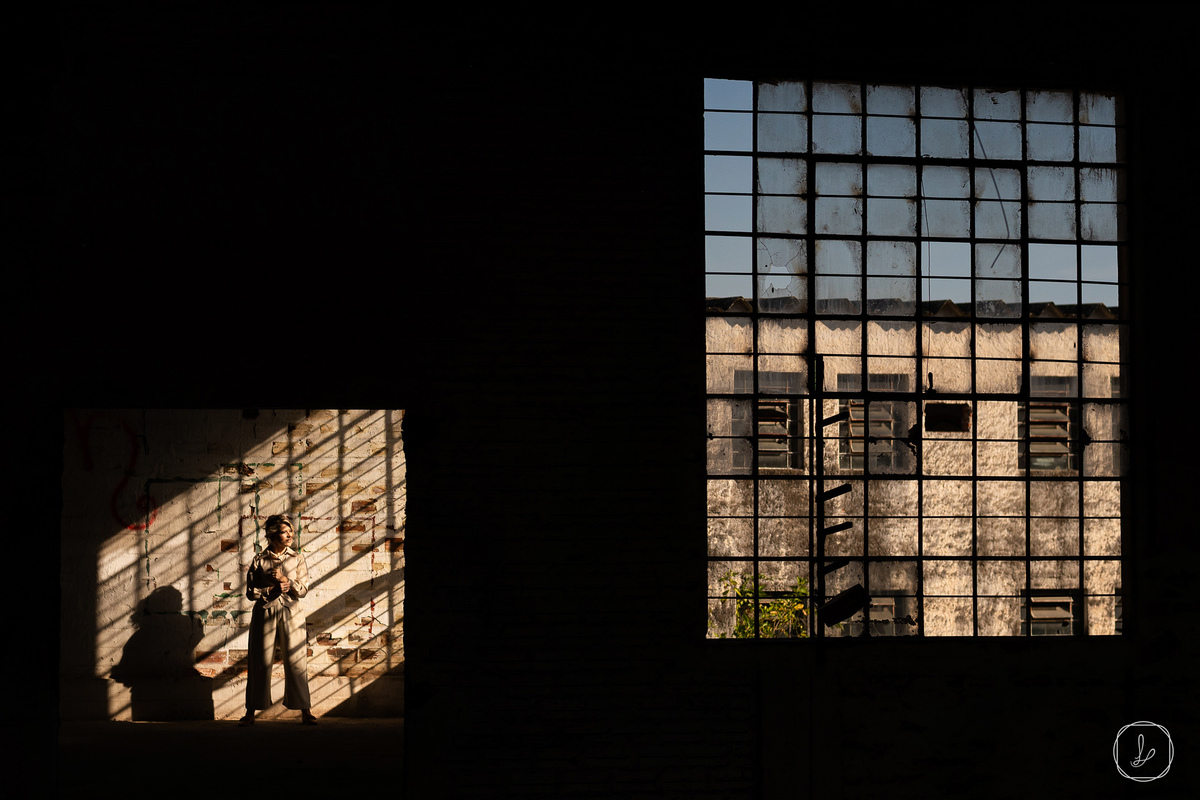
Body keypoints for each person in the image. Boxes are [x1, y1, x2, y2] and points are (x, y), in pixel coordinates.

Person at [238, 514, 318, 726]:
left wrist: (285, 580)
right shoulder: (259, 560)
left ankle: (305, 711)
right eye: (285, 531)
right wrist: (270, 589)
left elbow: (302, 590)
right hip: (264, 612)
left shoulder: (297, 558)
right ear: (273, 535)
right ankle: (250, 713)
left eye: (291, 531)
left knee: (296, 660)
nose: (290, 534)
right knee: (260, 661)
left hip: (292, 612)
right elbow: (250, 593)